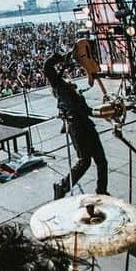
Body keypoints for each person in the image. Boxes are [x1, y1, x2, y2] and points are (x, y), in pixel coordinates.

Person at [46, 51, 109, 199]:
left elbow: (87, 111)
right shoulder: (59, 86)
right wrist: (60, 58)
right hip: (77, 128)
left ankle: (101, 190)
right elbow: (47, 66)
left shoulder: (74, 93)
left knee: (101, 160)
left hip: (87, 125)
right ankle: (62, 186)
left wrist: (105, 112)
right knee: (84, 162)